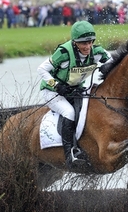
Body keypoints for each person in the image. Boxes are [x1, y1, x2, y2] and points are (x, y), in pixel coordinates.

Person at [37, 21, 111, 170]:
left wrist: (106, 67)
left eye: (90, 42)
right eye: (83, 43)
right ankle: (70, 154)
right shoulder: (64, 53)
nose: (87, 47)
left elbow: (112, 60)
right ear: (75, 42)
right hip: (52, 92)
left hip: (75, 90)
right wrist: (56, 85)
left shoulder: (97, 52)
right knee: (69, 112)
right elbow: (41, 69)